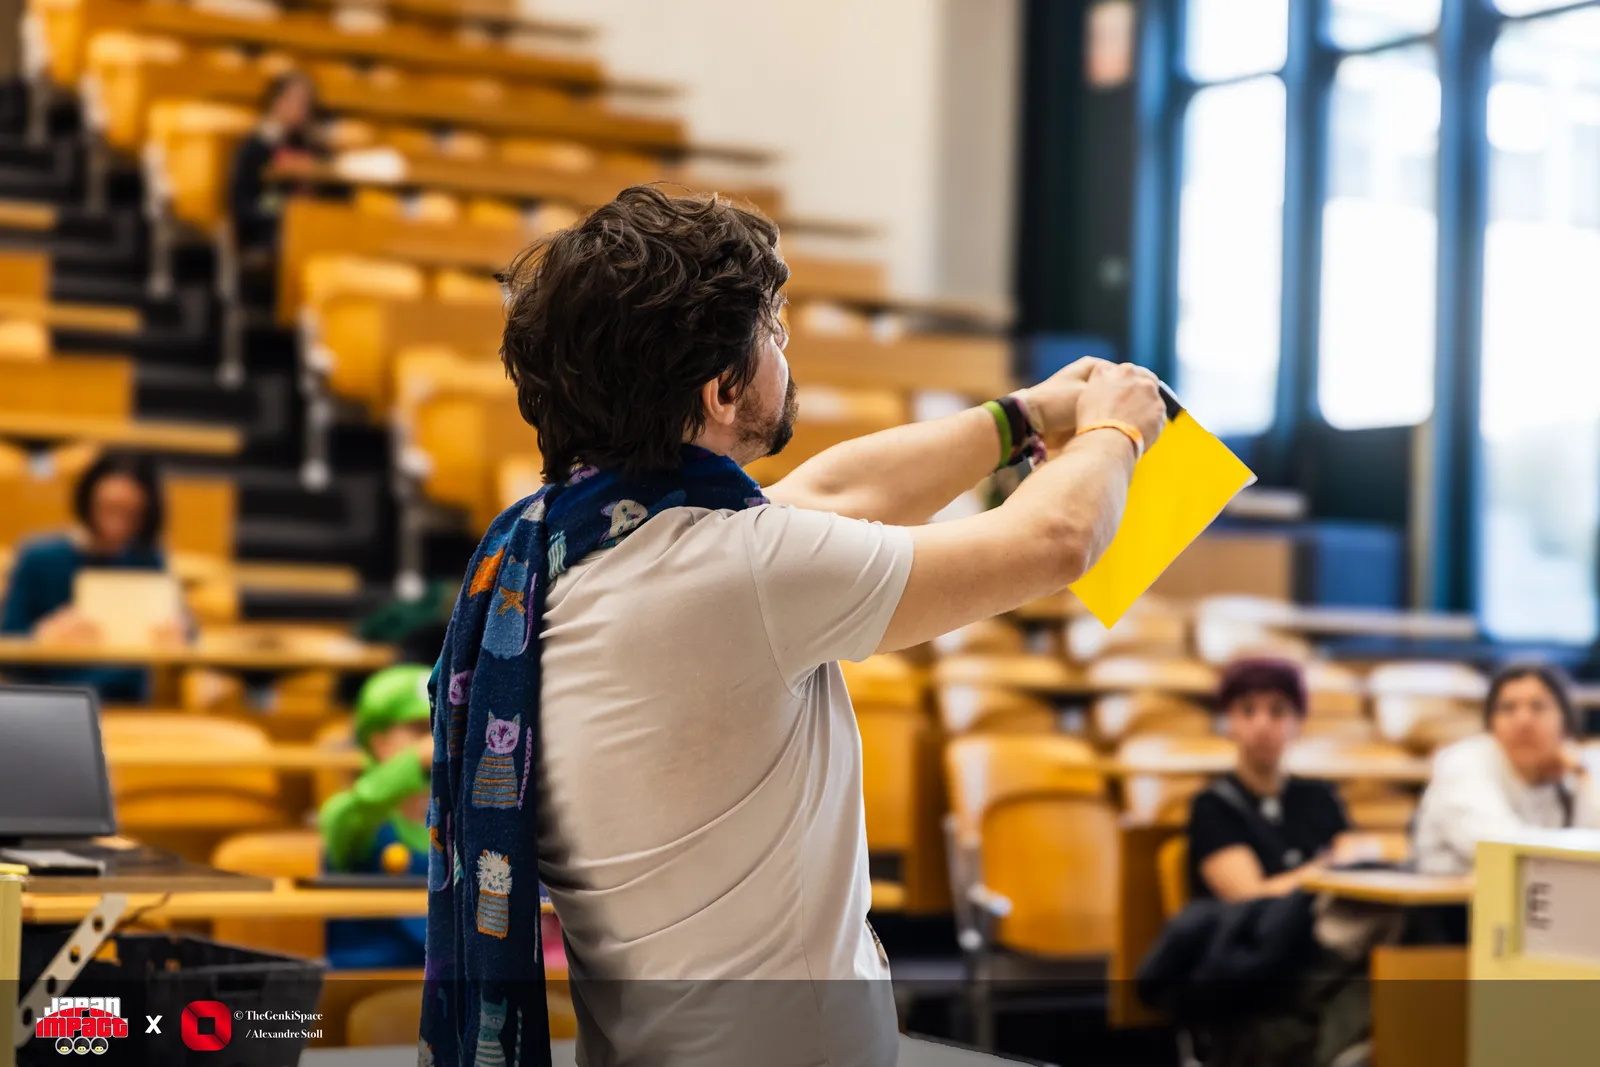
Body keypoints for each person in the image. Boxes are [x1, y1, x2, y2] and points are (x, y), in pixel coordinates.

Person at [418, 185, 1168, 1067]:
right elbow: (1054, 540)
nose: (784, 344)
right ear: (722, 390)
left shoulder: (564, 548)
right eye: (772, 329)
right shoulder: (739, 571)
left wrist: (1022, 419)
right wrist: (1116, 431)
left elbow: (835, 491)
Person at [1, 452, 170, 702]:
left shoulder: (148, 559)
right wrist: (42, 637)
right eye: (109, 508)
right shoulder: (39, 557)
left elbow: (188, 636)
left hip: (126, 701)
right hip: (51, 697)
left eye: (131, 513)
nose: (116, 525)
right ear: (88, 501)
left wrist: (174, 633)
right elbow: (7, 645)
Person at [1187, 658, 1353, 902]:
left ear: (1299, 723)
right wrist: (1326, 870)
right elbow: (1249, 896)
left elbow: (1354, 853)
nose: (1262, 725)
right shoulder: (1212, 806)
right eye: (1247, 710)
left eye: (1278, 711)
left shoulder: (1319, 795)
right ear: (1227, 723)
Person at [1414, 662, 1600, 875]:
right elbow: (1502, 849)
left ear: (1565, 721)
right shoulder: (1463, 763)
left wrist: (1585, 778)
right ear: (1491, 723)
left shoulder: (1575, 767)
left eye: (1538, 707)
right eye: (1508, 708)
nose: (1523, 721)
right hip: (1450, 893)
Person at [321, 664, 434, 969]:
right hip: (367, 973)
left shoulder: (460, 816)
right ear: (378, 742)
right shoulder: (356, 816)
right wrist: (415, 761)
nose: (437, 740)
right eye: (421, 729)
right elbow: (344, 816)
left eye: (445, 725)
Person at [228, 70, 324, 256]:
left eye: (308, 104)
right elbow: (243, 204)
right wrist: (281, 212)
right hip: (265, 234)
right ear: (277, 102)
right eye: (299, 102)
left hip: (303, 226)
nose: (305, 110)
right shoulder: (254, 147)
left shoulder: (308, 145)